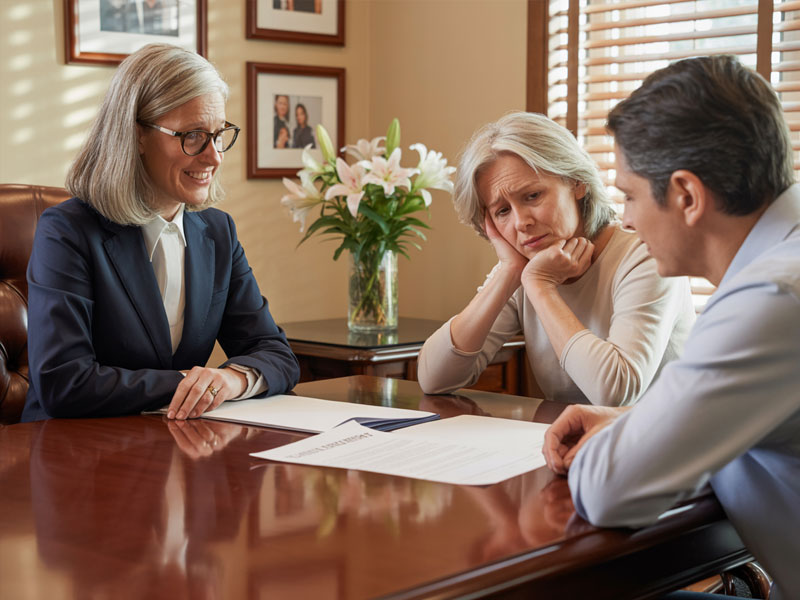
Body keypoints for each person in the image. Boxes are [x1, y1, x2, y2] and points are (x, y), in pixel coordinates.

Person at [543, 55, 800, 600]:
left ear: (686, 195)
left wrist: (631, 444)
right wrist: (641, 422)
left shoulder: (771, 297)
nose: (626, 220)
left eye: (630, 195)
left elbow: (613, 491)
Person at [22, 43, 300, 422]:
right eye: (192, 136)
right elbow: (64, 383)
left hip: (169, 449)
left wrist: (231, 380)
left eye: (219, 134)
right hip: (71, 455)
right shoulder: (67, 231)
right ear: (136, 135)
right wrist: (189, 384)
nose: (214, 156)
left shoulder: (218, 232)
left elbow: (276, 353)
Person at [417, 112, 695, 406]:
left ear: (577, 182)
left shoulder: (646, 256)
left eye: (533, 196)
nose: (521, 222)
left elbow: (614, 392)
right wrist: (508, 272)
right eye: (502, 211)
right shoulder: (526, 267)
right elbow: (433, 379)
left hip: (662, 447)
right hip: (570, 444)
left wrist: (540, 285)